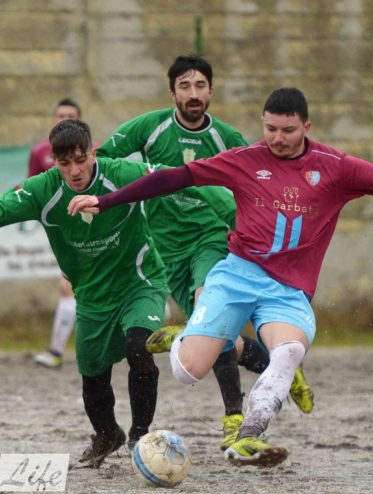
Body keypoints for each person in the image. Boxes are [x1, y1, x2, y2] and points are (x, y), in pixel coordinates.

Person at [68, 87, 373, 467]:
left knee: (289, 351)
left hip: (287, 289)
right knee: (186, 372)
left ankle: (248, 435)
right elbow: (174, 177)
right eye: (270, 129)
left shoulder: (336, 167)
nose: (277, 138)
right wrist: (106, 201)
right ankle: (185, 337)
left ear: (307, 127)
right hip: (236, 276)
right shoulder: (245, 160)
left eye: (288, 130)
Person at [95, 55, 314, 451]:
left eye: (200, 86)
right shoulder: (149, 127)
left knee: (207, 315)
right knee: (213, 336)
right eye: (185, 86)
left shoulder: (227, 137)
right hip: (166, 248)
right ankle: (276, 364)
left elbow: (262, 182)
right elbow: (103, 161)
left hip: (212, 238)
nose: (193, 93)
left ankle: (234, 420)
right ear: (172, 92)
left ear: (211, 90)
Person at [0, 119, 169, 467]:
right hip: (92, 296)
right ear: (54, 161)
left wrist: (226, 195)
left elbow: (175, 177)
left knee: (139, 347)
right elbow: (1, 207)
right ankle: (107, 434)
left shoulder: (121, 173)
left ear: (93, 152)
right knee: (92, 374)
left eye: (81, 159)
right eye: (65, 163)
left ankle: (140, 437)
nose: (75, 171)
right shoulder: (43, 189)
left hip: (140, 282)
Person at [28, 97, 83, 369]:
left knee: (67, 287)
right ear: (53, 120)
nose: (65, 119)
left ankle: (56, 351)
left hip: (88, 227)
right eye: (61, 115)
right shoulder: (40, 152)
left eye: (71, 116)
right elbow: (32, 191)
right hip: (61, 231)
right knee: (74, 288)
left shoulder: (94, 151)